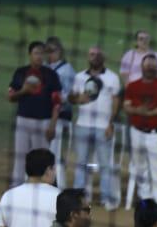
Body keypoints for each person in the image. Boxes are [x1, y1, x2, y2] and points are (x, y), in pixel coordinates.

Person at [67, 47, 121, 210]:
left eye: (97, 54)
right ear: (87, 58)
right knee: (81, 163)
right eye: (91, 54)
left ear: (102, 57)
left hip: (103, 127)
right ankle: (78, 199)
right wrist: (77, 99)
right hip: (83, 125)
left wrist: (111, 123)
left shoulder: (112, 77)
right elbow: (71, 97)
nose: (94, 57)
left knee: (104, 164)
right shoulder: (79, 77)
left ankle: (106, 198)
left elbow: (116, 102)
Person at [7, 42, 62, 186]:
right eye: (36, 53)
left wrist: (52, 125)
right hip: (23, 120)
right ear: (30, 55)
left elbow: (57, 103)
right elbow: (11, 97)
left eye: (42, 53)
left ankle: (42, 189)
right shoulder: (20, 72)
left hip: (43, 122)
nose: (40, 56)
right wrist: (24, 90)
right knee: (20, 159)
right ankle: (17, 189)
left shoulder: (51, 75)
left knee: (42, 159)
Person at [122, 54, 157, 205]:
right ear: (142, 67)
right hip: (136, 132)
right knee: (140, 170)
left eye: (153, 65)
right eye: (147, 65)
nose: (150, 68)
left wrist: (148, 113)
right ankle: (145, 201)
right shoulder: (133, 86)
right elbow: (126, 106)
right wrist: (140, 111)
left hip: (155, 134)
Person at [46, 39, 77, 176]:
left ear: (59, 52)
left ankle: (57, 183)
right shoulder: (45, 68)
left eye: (52, 51)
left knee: (54, 154)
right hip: (44, 116)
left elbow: (70, 96)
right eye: (47, 51)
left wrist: (55, 98)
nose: (49, 54)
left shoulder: (67, 70)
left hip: (60, 117)